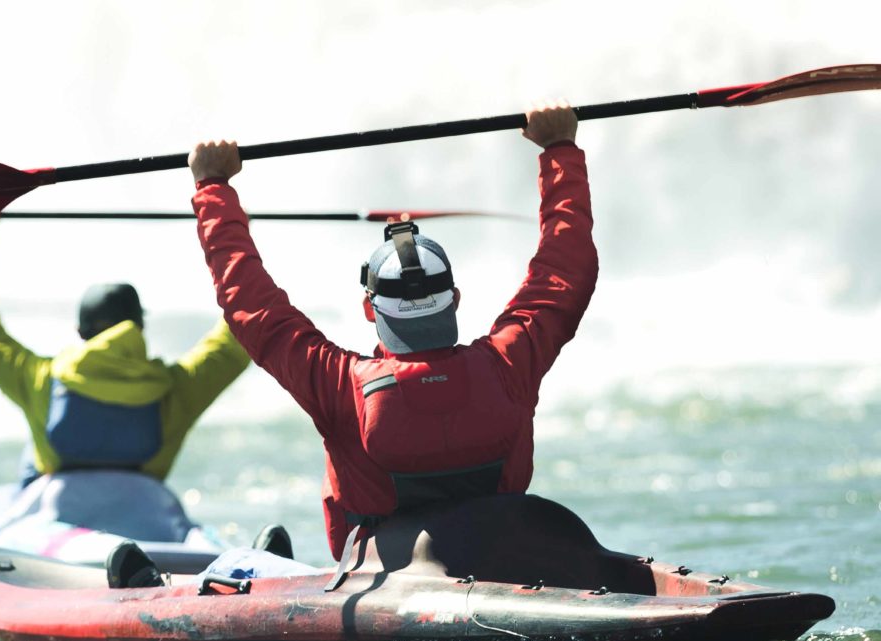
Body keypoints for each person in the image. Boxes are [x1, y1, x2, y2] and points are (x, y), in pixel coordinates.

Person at [107, 101, 613, 590]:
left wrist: (212, 186)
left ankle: (215, 572)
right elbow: (566, 272)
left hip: (382, 580)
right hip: (508, 559)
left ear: (371, 310)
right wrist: (559, 148)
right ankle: (262, 561)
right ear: (454, 299)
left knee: (273, 565)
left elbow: (251, 305)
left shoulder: (341, 385)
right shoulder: (511, 361)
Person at [0, 215, 276, 575]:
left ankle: (116, 560)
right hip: (151, 508)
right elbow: (238, 333)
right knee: (189, 534)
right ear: (140, 326)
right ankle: (254, 562)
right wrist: (235, 241)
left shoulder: (41, 378)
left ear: (79, 330)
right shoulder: (177, 387)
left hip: (58, 509)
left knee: (22, 511)